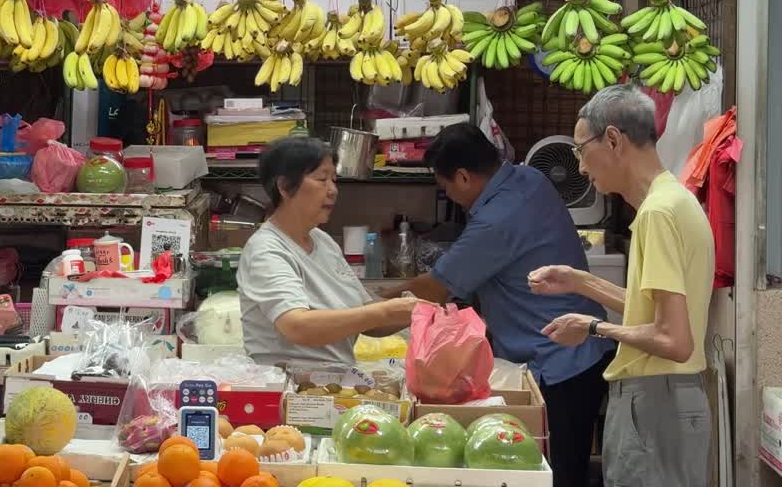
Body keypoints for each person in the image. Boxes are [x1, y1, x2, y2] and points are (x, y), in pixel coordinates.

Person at [379, 123, 613, 487]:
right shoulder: (530, 179)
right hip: (582, 354)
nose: (451, 197)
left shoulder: (496, 220)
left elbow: (435, 289)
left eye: (447, 188)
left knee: (553, 475)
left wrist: (362, 315)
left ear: (463, 177)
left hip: (557, 364)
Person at [531, 84, 713, 487]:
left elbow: (673, 339)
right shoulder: (674, 201)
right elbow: (655, 313)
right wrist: (580, 281)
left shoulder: (657, 214)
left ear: (613, 139)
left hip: (654, 401)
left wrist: (593, 328)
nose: (579, 167)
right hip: (671, 397)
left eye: (580, 150)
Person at [237, 135, 419, 365]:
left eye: (334, 179)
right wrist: (386, 311)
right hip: (290, 388)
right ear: (284, 187)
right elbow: (297, 326)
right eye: (322, 179)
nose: (333, 190)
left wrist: (416, 313)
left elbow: (364, 316)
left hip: (332, 383)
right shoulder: (267, 251)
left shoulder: (322, 240)